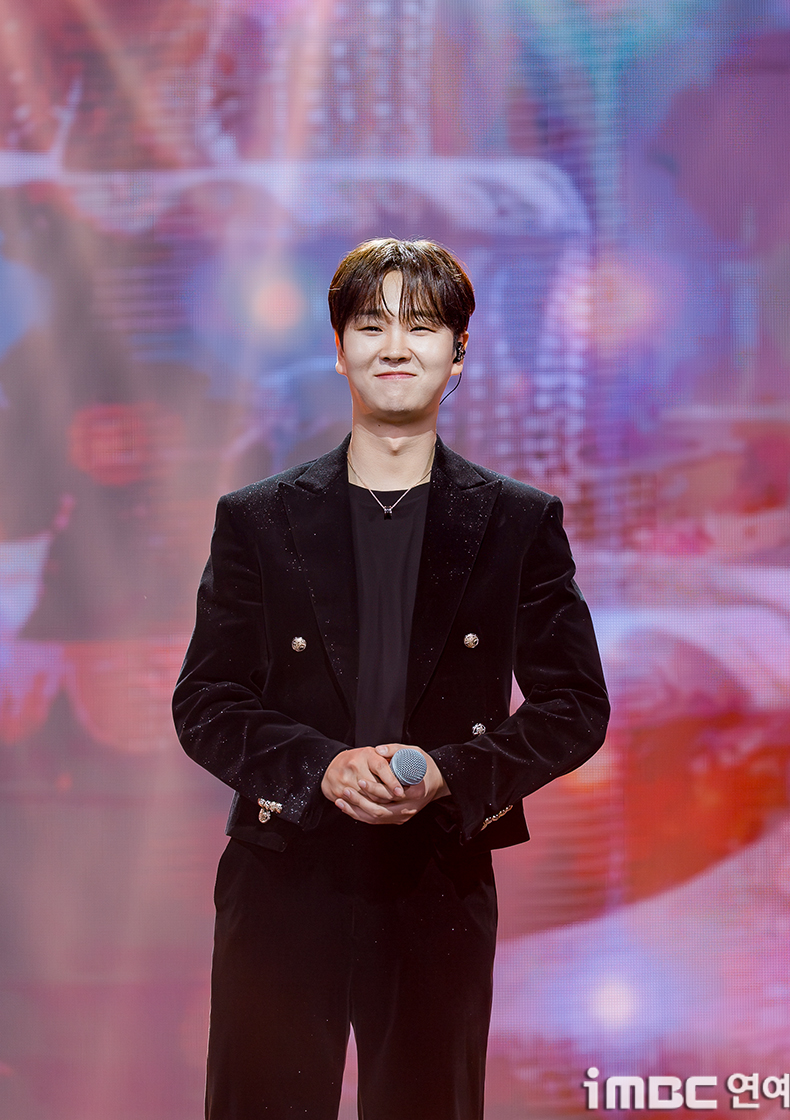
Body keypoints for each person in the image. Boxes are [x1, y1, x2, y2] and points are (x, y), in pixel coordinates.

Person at [173, 238, 609, 1120]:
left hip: (437, 874)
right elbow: (206, 700)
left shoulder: (518, 522)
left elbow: (575, 705)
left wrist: (450, 772)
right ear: (339, 351)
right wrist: (321, 767)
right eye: (372, 326)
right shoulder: (258, 519)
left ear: (458, 354)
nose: (396, 347)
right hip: (284, 871)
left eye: (423, 326)